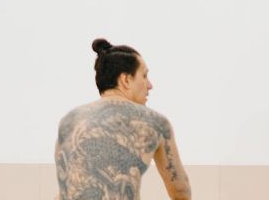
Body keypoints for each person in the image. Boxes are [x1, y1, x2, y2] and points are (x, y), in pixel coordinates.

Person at [55, 38, 191, 200]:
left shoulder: (69, 121)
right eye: (144, 76)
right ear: (125, 80)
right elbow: (180, 191)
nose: (150, 85)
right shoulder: (155, 122)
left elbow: (64, 190)